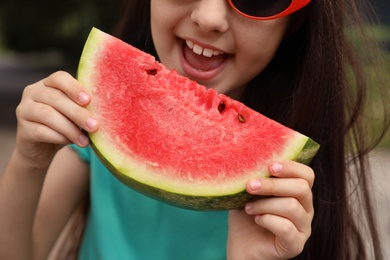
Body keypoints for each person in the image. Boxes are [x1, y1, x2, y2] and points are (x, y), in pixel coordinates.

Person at [0, 0, 388, 259]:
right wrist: (28, 161)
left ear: (293, 22)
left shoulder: (290, 189)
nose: (209, 17)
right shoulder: (93, 114)